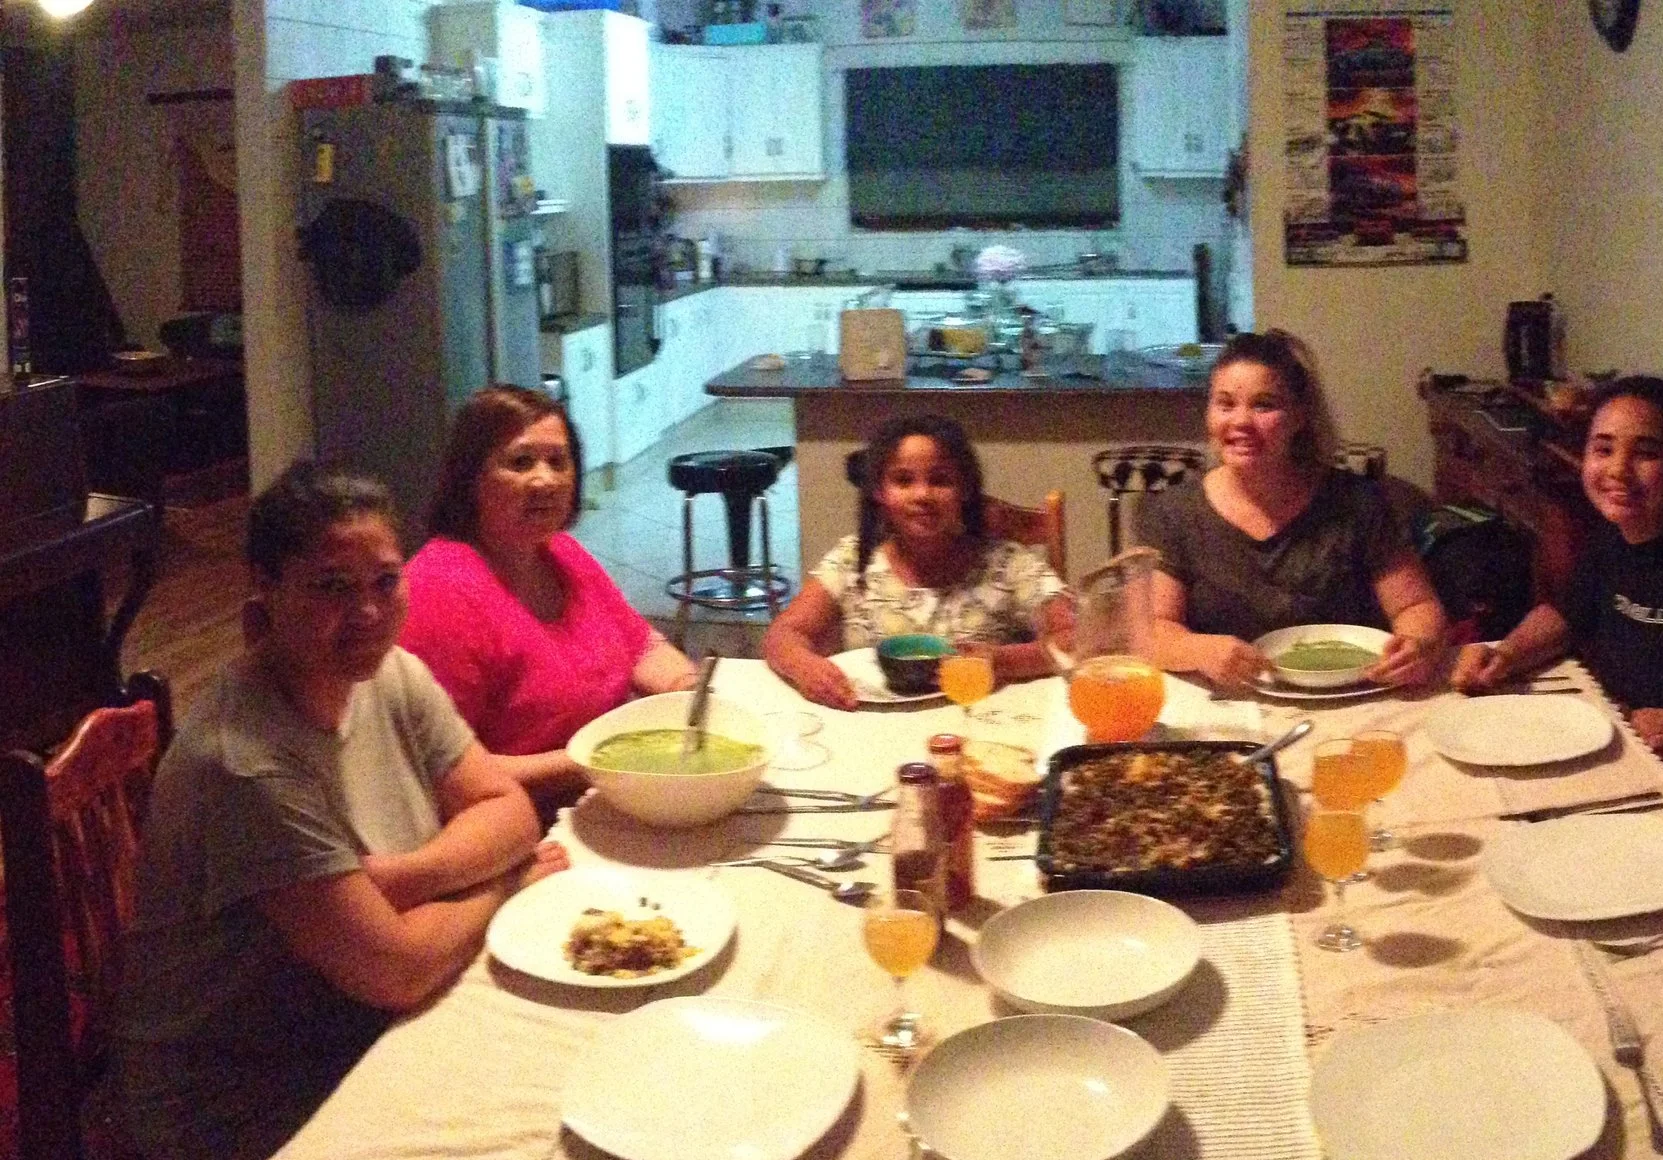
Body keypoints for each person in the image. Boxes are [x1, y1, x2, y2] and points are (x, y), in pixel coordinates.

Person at [113, 464, 564, 1160]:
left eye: (385, 581)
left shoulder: (389, 675)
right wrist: (509, 881)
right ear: (266, 586)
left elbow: (508, 807)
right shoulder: (247, 763)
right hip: (239, 1093)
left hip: (352, 1025)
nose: (366, 612)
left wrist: (401, 878)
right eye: (329, 585)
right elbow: (395, 968)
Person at [1448, 376, 1663, 769]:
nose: (1618, 469)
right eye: (1604, 448)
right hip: (1619, 738)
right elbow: (1566, 613)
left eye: (1645, 453)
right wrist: (1506, 653)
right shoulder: (1613, 536)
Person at [399, 385, 700, 807]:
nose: (545, 480)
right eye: (520, 462)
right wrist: (602, 757)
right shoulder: (439, 588)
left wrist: (686, 689)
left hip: (604, 791)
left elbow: (641, 644)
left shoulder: (560, 552)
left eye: (558, 462)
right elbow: (443, 769)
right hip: (519, 822)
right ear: (471, 480)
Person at [1137, 330, 1448, 689]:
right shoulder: (1174, 512)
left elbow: (1416, 608)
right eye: (1225, 404)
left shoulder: (1356, 502)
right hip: (1229, 709)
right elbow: (1153, 631)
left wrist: (1417, 645)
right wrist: (1199, 650)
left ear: (1300, 416)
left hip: (1347, 702)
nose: (1240, 421)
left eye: (1263, 405)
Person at [763, 414, 1070, 709]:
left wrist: (1004, 661)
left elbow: (1080, 639)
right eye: (903, 480)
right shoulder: (853, 560)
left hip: (982, 721)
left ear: (964, 489)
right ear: (879, 492)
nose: (922, 494)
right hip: (872, 730)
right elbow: (784, 633)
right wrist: (805, 667)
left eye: (940, 480)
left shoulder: (1007, 564)